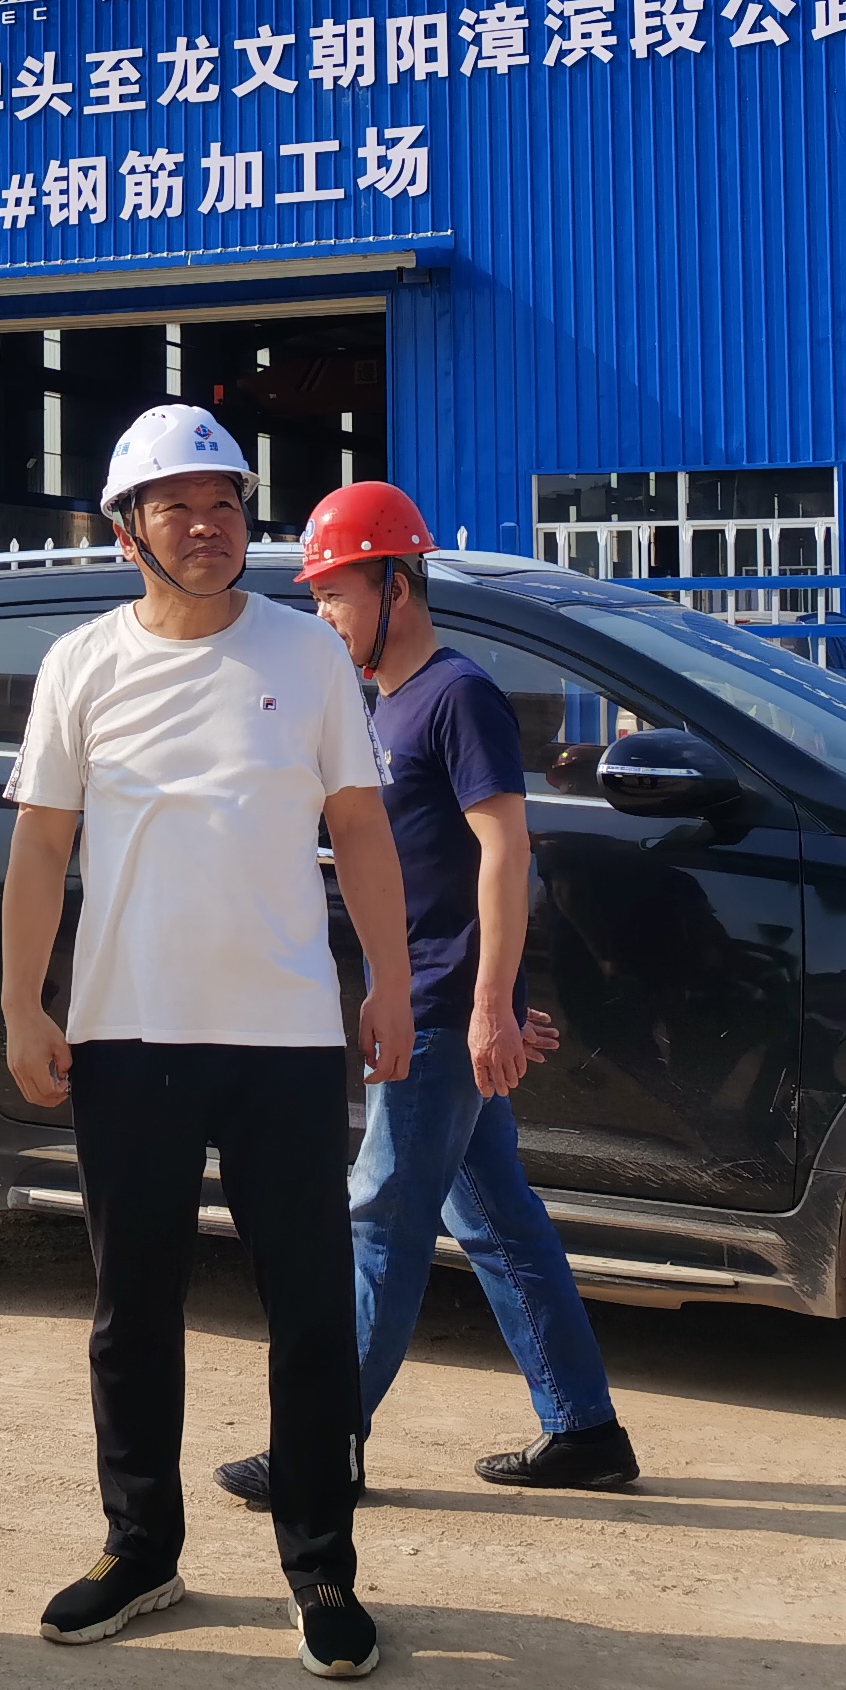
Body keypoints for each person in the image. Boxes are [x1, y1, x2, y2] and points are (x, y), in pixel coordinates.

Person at [1, 406, 415, 1681]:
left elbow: (360, 828)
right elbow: (42, 844)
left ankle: (321, 1564)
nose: (208, 525)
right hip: (129, 1031)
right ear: (126, 530)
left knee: (309, 1312)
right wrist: (23, 1003)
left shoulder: (308, 652)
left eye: (226, 502)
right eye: (178, 506)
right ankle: (141, 1549)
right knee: (133, 1309)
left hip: (282, 1033)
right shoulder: (81, 664)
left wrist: (391, 985)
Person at [210, 481, 636, 1512]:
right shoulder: (383, 705)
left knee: (379, 1222)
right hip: (436, 997)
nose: (323, 614)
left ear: (396, 586)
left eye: (335, 593)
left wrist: (490, 1002)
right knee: (500, 1223)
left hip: (444, 1006)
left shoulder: (456, 695)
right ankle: (585, 1430)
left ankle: (323, 1448)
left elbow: (504, 851)